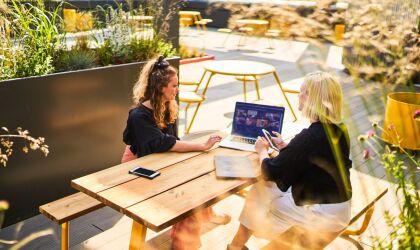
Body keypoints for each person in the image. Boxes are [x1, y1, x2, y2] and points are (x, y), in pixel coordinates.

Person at [228, 71, 353, 250]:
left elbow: (270, 171)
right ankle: (237, 245)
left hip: (321, 215)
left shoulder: (309, 137)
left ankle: (236, 245)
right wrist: (287, 147)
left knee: (262, 188)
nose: (298, 95)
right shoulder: (339, 129)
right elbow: (316, 156)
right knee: (267, 191)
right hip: (339, 209)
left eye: (304, 92)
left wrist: (262, 150)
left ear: (314, 99)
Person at [122, 56, 230, 250]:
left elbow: (173, 141)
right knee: (186, 195)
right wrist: (202, 146)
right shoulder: (139, 116)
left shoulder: (167, 106)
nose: (177, 89)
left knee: (199, 175)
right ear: (160, 87)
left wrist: (198, 152)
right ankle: (184, 244)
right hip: (138, 166)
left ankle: (206, 214)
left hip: (161, 159)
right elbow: (165, 143)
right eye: (174, 85)